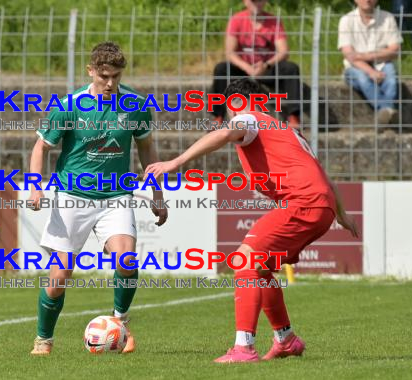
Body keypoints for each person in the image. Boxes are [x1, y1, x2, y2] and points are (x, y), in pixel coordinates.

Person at [145, 78, 359, 363]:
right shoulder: (285, 130)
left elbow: (224, 134)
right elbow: (323, 174)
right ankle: (285, 339)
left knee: (244, 261)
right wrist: (342, 214)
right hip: (319, 204)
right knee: (257, 268)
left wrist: (174, 162)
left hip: (304, 202)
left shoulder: (249, 118)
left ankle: (243, 348)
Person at [28, 41, 168, 356]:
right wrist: (36, 186)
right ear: (91, 70)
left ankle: (121, 323)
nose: (109, 83)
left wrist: (157, 194)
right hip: (73, 196)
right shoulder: (69, 105)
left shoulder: (135, 105)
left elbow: (147, 150)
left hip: (115, 196)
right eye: (104, 75)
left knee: (127, 260)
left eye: (116, 76)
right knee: (59, 276)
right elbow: (40, 148)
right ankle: (44, 340)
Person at [211, 0, 302, 128]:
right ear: (245, 2)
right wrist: (247, 67)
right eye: (253, 1)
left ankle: (294, 116)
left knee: (291, 68)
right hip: (243, 68)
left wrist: (266, 65)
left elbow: (283, 51)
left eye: (259, 0)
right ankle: (218, 116)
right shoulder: (237, 20)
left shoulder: (273, 21)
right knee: (221, 69)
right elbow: (230, 52)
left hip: (266, 68)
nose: (256, 4)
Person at [338, 0, 403, 124]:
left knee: (391, 77)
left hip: (382, 64)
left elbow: (395, 51)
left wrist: (364, 56)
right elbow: (349, 55)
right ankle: (387, 110)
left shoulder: (388, 18)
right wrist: (371, 71)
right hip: (355, 67)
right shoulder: (346, 20)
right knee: (362, 78)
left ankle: (384, 114)